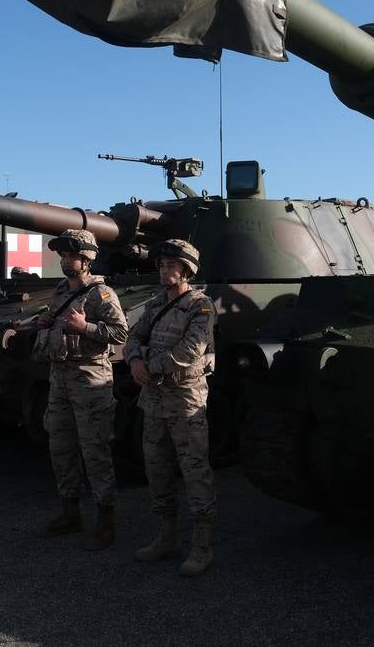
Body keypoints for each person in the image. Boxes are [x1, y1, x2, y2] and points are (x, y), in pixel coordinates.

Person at [19, 229, 127, 549]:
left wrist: (85, 326)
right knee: (61, 447)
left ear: (87, 259)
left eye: (73, 256)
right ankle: (70, 513)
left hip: (89, 380)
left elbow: (120, 333)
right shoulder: (61, 291)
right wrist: (45, 323)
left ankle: (106, 521)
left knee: (94, 450)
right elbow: (58, 324)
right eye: (64, 256)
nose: (66, 261)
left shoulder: (101, 294)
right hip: (60, 379)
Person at [125, 239, 217, 577]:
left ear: (187, 270)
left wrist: (148, 365)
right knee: (157, 467)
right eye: (162, 265)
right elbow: (133, 338)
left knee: (194, 469)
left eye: (171, 265)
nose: (165, 270)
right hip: (154, 400)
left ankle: (202, 545)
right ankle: (167, 537)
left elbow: (191, 350)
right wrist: (134, 360)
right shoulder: (155, 305)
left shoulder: (200, 306)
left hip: (184, 400)